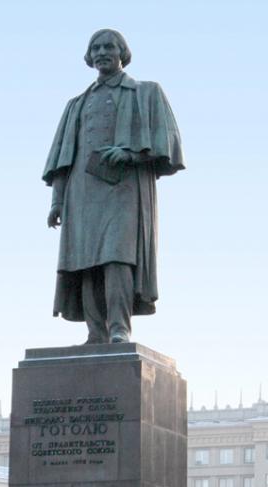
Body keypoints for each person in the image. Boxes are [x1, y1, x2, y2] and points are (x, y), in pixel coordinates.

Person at [43, 29, 184, 343]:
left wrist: (131, 153)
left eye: (109, 46)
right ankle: (95, 332)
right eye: (96, 47)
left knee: (116, 256)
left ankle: (119, 326)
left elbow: (167, 144)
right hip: (81, 190)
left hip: (124, 188)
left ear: (123, 52)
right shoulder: (76, 104)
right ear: (88, 56)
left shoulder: (145, 92)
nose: (102, 52)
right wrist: (57, 201)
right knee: (85, 261)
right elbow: (63, 158)